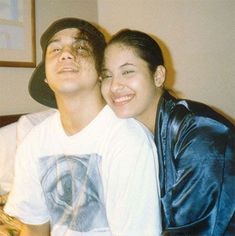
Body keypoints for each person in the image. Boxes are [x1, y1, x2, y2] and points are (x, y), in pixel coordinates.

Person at [4, 19, 162, 236]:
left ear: (100, 72)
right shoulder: (34, 142)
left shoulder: (127, 141)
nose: (66, 54)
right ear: (46, 79)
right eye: (56, 49)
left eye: (80, 48)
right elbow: (34, 230)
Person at [101, 29, 235, 235]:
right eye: (107, 75)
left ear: (158, 75)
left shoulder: (201, 133)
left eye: (127, 72)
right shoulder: (129, 134)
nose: (114, 86)